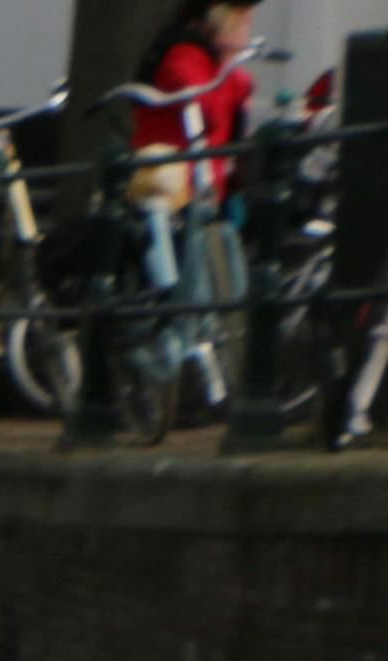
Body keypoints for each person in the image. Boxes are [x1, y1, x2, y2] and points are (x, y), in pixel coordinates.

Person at [133, 0, 255, 417]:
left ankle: (220, 376)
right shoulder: (183, 55)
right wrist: (227, 66)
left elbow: (237, 94)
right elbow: (199, 98)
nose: (248, 32)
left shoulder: (215, 64)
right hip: (175, 189)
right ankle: (171, 370)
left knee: (227, 273)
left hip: (207, 191)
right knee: (197, 281)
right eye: (242, 24)